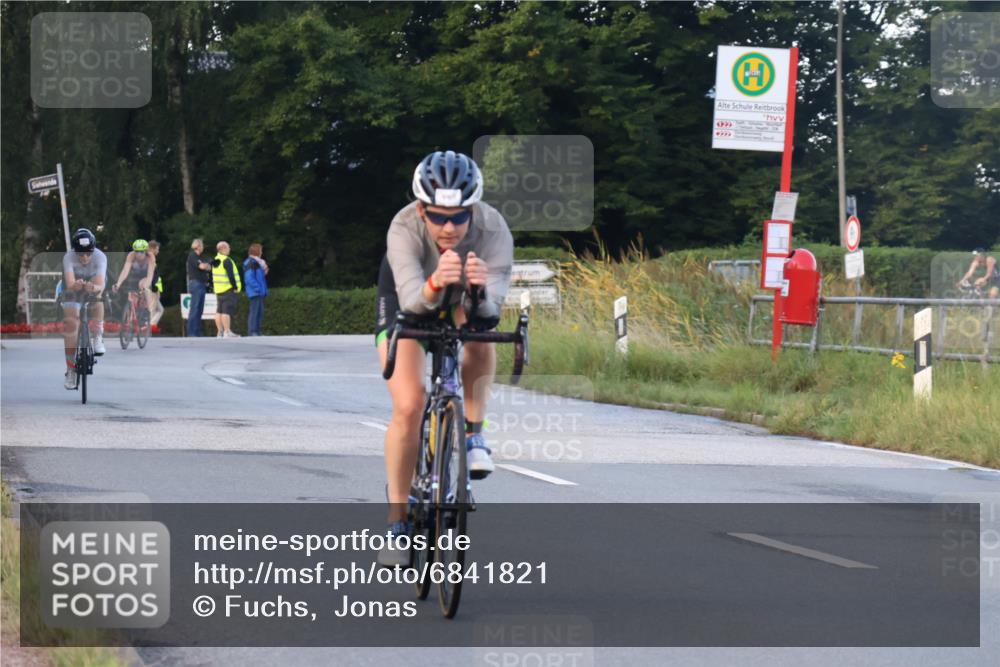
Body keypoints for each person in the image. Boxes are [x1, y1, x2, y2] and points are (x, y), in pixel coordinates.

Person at [375, 150, 513, 566]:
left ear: (474, 209)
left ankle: (473, 434)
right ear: (421, 209)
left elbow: (492, 313)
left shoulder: (492, 229)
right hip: (410, 296)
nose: (449, 227)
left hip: (463, 298)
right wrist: (437, 281)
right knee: (410, 403)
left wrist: (478, 293)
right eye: (438, 217)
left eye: (459, 217)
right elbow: (414, 300)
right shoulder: (403, 226)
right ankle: (398, 523)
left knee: (480, 334)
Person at [61, 228, 108, 389]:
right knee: (71, 324)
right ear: (75, 251)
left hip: (93, 284)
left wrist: (92, 287)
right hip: (72, 288)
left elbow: (100, 284)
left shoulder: (100, 257)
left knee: (97, 299)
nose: (85, 257)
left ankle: (97, 336)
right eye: (80, 254)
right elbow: (69, 284)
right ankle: (70, 369)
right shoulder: (68, 257)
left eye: (88, 253)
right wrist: (77, 285)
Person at [112, 239, 156, 326]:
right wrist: (118, 284)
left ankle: (147, 311)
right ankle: (130, 316)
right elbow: (125, 271)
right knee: (131, 295)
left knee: (143, 286)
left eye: (141, 252)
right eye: (136, 251)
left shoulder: (150, 257)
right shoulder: (131, 255)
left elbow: (150, 275)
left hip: (147, 275)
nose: (138, 254)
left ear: (146, 251)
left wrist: (145, 286)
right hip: (135, 275)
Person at [212, 241, 242, 338]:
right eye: (228, 247)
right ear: (223, 248)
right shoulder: (226, 260)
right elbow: (230, 275)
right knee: (226, 311)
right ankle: (227, 331)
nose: (230, 249)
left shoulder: (215, 260)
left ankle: (219, 332)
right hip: (227, 289)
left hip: (218, 289)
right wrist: (235, 287)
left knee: (219, 311)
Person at [186, 238, 212, 337]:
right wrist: (206, 265)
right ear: (198, 246)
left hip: (201, 284)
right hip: (196, 284)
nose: (203, 247)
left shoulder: (199, 257)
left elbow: (208, 267)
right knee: (195, 308)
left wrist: (206, 265)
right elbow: (202, 267)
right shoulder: (193, 255)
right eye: (202, 245)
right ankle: (192, 332)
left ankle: (196, 332)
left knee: (199, 309)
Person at [243, 243, 269, 336]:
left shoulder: (257, 263)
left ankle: (257, 331)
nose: (261, 252)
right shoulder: (251, 262)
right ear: (257, 251)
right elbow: (249, 278)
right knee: (255, 312)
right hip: (255, 291)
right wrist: (258, 288)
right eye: (260, 250)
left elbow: (259, 277)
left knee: (259, 312)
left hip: (258, 292)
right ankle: (252, 331)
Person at [147, 240, 165, 327]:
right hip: (152, 288)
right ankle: (149, 327)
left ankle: (151, 325)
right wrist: (153, 286)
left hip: (154, 287)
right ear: (152, 249)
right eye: (157, 249)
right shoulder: (150, 259)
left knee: (160, 309)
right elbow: (152, 274)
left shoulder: (148, 258)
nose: (158, 251)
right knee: (153, 309)